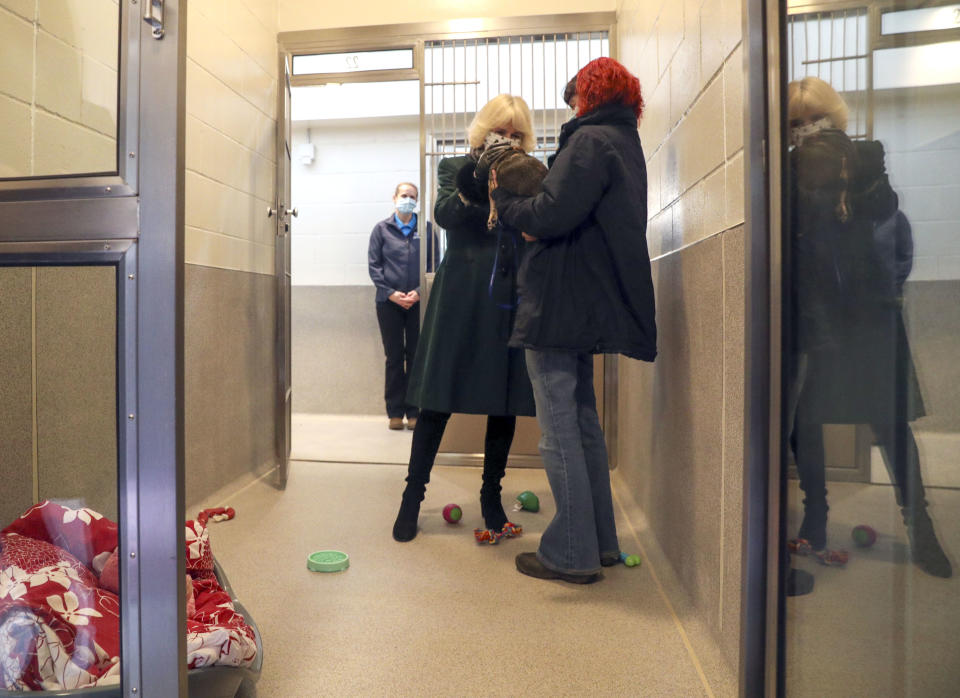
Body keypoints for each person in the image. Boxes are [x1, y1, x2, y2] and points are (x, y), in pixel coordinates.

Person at [490, 57, 656, 584]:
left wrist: (505, 202)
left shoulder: (588, 143)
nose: (571, 110)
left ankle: (571, 553)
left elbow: (547, 215)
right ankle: (600, 543)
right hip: (584, 305)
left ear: (587, 96)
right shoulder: (624, 143)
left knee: (559, 431)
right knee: (584, 425)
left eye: (573, 100)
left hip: (559, 306)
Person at [786, 76, 951, 578]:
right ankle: (912, 532)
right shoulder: (856, 167)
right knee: (864, 423)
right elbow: (897, 245)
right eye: (795, 123)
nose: (803, 132)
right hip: (859, 316)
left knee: (834, 423)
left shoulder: (831, 169)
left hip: (835, 318)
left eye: (804, 120)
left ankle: (832, 522)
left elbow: (885, 236)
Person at [391, 95, 538, 543]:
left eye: (516, 135)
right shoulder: (455, 166)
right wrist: (483, 180)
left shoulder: (529, 173)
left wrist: (513, 185)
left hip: (505, 294)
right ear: (482, 131)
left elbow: (533, 223)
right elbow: (445, 215)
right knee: (438, 396)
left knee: (504, 398)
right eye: (500, 132)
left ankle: (491, 498)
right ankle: (412, 497)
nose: (507, 141)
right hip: (459, 294)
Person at [368, 183, 427, 430]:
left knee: (415, 357)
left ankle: (414, 412)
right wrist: (391, 293)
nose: (408, 200)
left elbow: (434, 263)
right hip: (388, 303)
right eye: (404, 196)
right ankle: (394, 412)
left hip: (417, 303)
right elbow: (374, 266)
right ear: (394, 198)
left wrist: (419, 292)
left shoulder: (426, 229)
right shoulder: (381, 230)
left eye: (412, 197)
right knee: (394, 357)